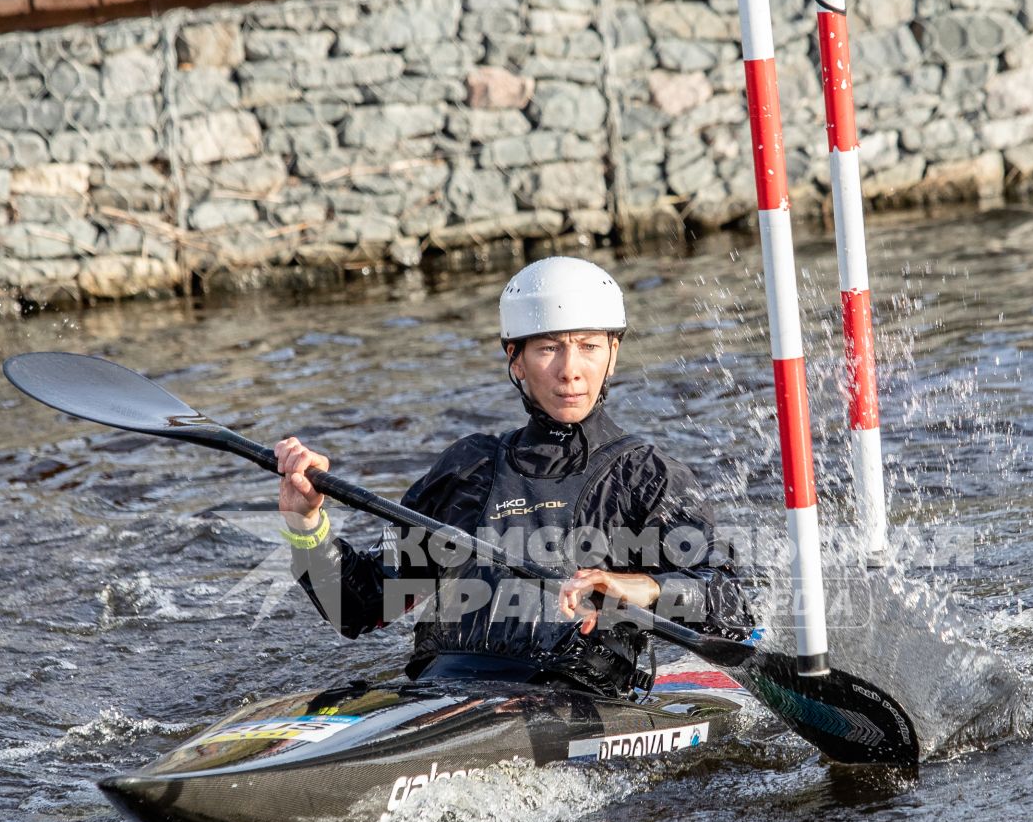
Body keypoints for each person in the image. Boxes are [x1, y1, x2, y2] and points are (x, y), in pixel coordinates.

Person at [273, 256, 754, 697]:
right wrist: (306, 526)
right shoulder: (469, 469)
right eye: (549, 348)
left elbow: (730, 606)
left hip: (568, 696)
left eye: (588, 346)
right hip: (439, 694)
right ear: (515, 359)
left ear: (613, 353)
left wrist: (641, 588)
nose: (571, 371)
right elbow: (355, 608)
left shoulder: (645, 478)